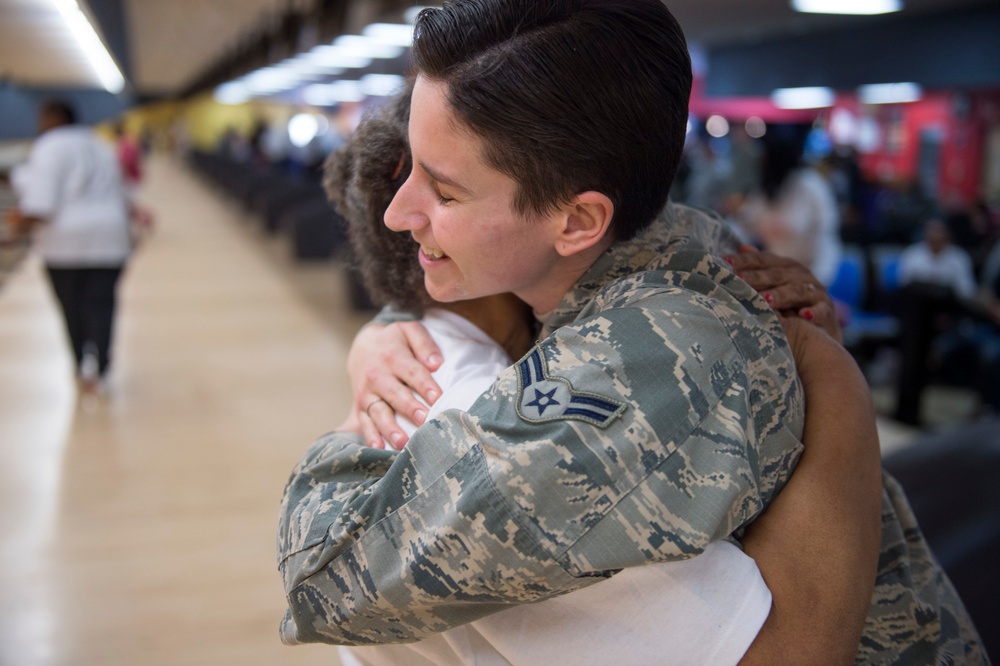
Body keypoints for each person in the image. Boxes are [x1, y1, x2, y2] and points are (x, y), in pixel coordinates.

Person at [278, 2, 985, 662]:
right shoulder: (664, 241)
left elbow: (326, 573)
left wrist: (359, 414)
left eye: (445, 189)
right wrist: (389, 328)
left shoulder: (632, 371)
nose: (399, 214)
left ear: (579, 221)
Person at [322, 86, 866, 665]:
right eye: (447, 194)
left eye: (444, 188)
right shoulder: (508, 436)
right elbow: (787, 650)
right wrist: (821, 365)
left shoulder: (430, 354)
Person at [6, 100, 131, 392]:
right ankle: (102, 368)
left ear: (52, 117)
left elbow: (41, 205)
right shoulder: (102, 145)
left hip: (66, 245)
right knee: (103, 305)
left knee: (72, 307)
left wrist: (15, 229)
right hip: (110, 238)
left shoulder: (49, 146)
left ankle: (80, 366)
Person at [737, 128, 842, 286]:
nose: (761, 161)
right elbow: (745, 225)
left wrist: (815, 285)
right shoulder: (766, 189)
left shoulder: (810, 185)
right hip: (774, 278)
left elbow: (826, 238)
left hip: (812, 277)